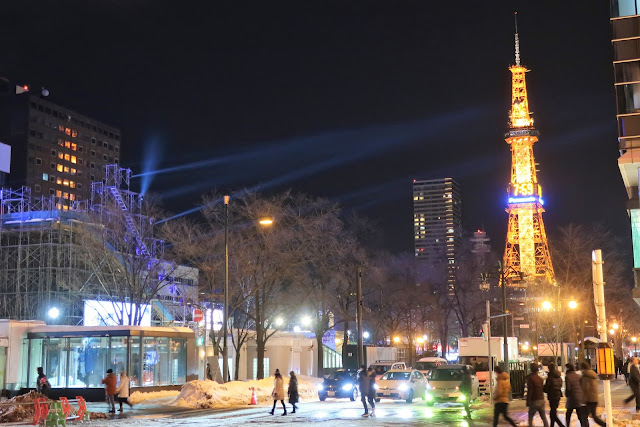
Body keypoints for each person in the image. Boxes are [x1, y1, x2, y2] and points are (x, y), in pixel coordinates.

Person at [580, 361, 606, 426]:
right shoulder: (592, 375)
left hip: (589, 399)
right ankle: (604, 425)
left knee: (584, 416)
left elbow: (585, 388)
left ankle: (605, 425)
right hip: (594, 399)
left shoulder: (586, 376)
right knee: (594, 416)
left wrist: (582, 400)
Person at [527, 363, 549, 427]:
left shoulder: (531, 378)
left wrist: (528, 400)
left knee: (530, 416)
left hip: (534, 400)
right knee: (543, 417)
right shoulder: (540, 379)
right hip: (541, 399)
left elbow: (530, 390)